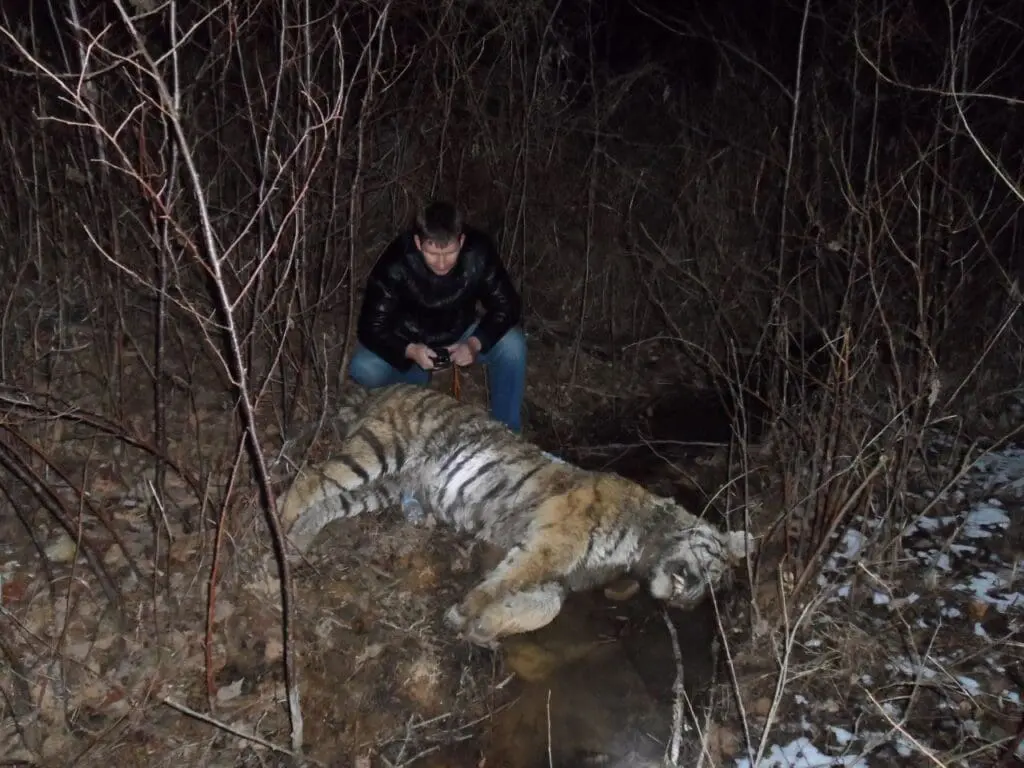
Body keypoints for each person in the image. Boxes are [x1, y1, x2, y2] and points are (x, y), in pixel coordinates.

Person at [349, 201, 527, 434]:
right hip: (410, 338)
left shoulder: (479, 252)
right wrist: (410, 350)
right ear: (417, 243)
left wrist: (475, 343)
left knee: (513, 345)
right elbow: (371, 326)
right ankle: (414, 382)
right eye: (433, 253)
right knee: (363, 368)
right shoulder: (396, 260)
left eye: (450, 252)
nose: (442, 263)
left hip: (460, 332)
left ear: (461, 241)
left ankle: (508, 432)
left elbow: (508, 305)